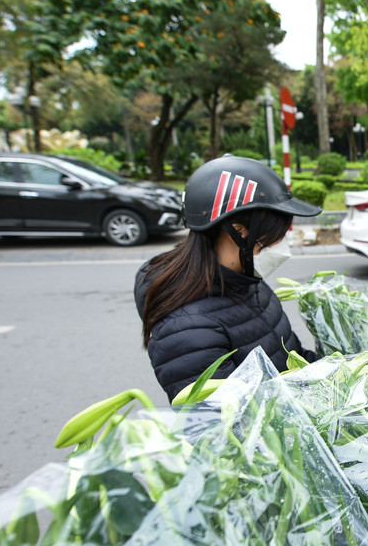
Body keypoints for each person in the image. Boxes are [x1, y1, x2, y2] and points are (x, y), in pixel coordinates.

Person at [135, 155, 321, 401]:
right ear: (239, 231)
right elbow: (225, 426)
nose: (281, 245)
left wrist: (351, 370)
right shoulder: (188, 330)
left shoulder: (247, 281)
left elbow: (290, 358)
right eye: (274, 235)